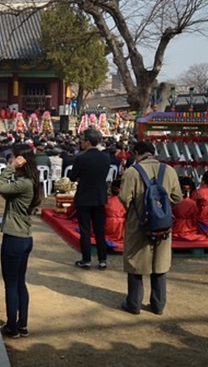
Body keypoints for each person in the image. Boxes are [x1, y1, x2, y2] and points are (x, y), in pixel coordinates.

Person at [118, 141, 182, 315]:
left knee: (135, 262)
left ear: (137, 153)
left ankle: (134, 303)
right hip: (163, 225)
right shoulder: (168, 170)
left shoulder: (132, 172)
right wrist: (161, 208)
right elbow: (178, 198)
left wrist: (137, 209)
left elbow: (124, 198)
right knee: (160, 263)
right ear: (153, 153)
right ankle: (158, 305)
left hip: (138, 223)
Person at [0, 143, 41, 339]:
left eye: (13, 157)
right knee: (20, 282)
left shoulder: (23, 182)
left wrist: (9, 168)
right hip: (25, 236)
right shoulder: (31, 181)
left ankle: (12, 326)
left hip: (14, 238)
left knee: (11, 284)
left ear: (21, 159)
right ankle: (22, 324)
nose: (10, 160)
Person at [68, 128, 111, 269]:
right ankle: (102, 259)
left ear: (87, 142)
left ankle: (86, 259)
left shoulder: (81, 158)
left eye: (82, 140)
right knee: (99, 230)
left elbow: (72, 177)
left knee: (85, 229)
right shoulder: (105, 157)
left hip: (84, 196)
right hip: (99, 196)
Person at [172, 177, 207, 241]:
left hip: (177, 228)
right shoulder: (192, 203)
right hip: (190, 228)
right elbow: (195, 217)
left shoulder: (174, 202)